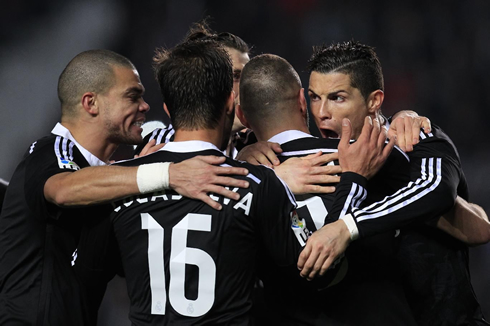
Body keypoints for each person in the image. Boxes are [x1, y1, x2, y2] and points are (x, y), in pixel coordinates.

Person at [75, 38, 392, 325]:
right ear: (230, 106)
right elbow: (320, 269)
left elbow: (87, 272)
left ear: (169, 109)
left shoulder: (123, 184)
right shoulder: (258, 184)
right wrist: (353, 181)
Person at [0, 49, 252, 325]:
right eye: (133, 96)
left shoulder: (115, 179)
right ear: (91, 103)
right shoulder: (51, 150)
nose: (145, 106)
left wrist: (246, 152)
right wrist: (164, 173)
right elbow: (62, 189)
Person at [237, 51, 489, 325]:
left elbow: (475, 225)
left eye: (337, 98)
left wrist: (348, 226)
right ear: (302, 100)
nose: (321, 113)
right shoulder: (274, 167)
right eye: (314, 97)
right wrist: (252, 158)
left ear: (374, 101)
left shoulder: (412, 140)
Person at [135, 19, 257, 158]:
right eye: (234, 76)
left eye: (247, 77)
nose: (246, 87)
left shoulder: (257, 144)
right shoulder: (160, 146)